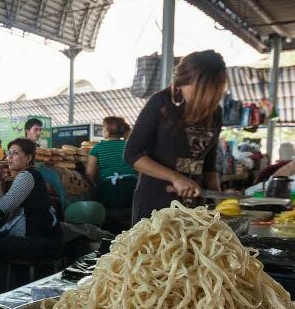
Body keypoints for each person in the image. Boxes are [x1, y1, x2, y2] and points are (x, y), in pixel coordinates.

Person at [124, 50, 227, 224]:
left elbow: (209, 162)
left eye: (212, 96)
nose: (205, 102)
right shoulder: (161, 103)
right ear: (181, 82)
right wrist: (175, 177)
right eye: (200, 93)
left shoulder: (215, 112)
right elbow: (131, 154)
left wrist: (218, 198)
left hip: (196, 208)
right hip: (156, 204)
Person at [0, 138, 60, 255]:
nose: (9, 157)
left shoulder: (27, 175)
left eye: (15, 153)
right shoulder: (31, 173)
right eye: (9, 153)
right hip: (42, 235)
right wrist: (0, 181)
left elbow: (6, 206)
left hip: (36, 238)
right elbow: (7, 202)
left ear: (28, 158)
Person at [85, 116, 136, 210]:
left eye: (103, 127)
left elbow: (89, 174)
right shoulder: (129, 146)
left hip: (108, 190)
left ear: (107, 131)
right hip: (132, 190)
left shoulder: (97, 148)